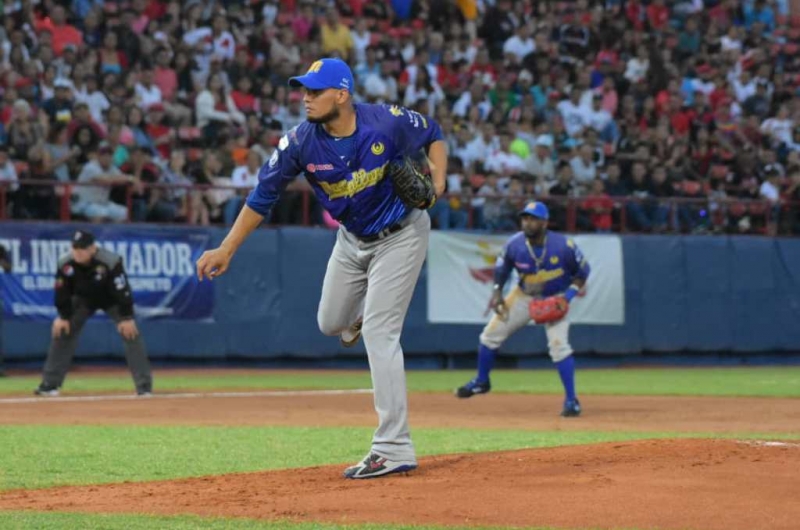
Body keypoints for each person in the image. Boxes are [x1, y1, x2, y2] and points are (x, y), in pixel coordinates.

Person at [196, 58, 446, 479]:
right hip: (351, 241)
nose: (305, 98)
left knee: (382, 333)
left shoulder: (384, 122)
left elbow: (433, 132)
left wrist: (437, 180)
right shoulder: (299, 143)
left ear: (342, 95)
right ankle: (363, 313)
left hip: (402, 234)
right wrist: (227, 248)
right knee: (331, 322)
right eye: (304, 91)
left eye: (315, 91)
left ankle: (394, 447)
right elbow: (262, 196)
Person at [455, 201, 591, 417]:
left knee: (559, 346)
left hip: (555, 297)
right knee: (490, 335)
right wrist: (498, 293)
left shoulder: (563, 245)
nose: (528, 222)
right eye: (525, 218)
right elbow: (502, 270)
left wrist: (567, 297)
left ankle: (571, 401)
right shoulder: (514, 244)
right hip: (524, 296)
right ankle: (482, 381)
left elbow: (583, 272)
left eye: (533, 218)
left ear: (545, 222)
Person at [34, 230, 153, 397]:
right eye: (75, 248)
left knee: (130, 333)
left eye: (82, 249)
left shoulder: (110, 261)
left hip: (112, 300)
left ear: (92, 248)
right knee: (62, 331)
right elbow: (62, 292)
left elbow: (122, 290)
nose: (78, 252)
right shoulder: (65, 263)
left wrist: (126, 317)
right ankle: (50, 384)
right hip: (83, 300)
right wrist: (63, 316)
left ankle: (144, 386)